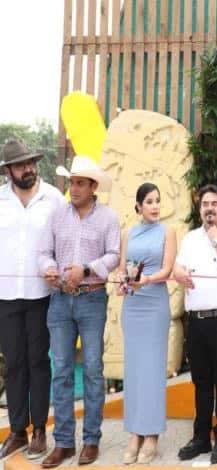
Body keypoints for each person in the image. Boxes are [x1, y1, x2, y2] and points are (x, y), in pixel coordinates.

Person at [38, 155, 120, 468]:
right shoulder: (57, 215)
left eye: (80, 183)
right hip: (59, 299)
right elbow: (44, 253)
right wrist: (49, 269)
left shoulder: (108, 218)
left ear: (93, 187)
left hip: (92, 298)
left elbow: (114, 255)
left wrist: (85, 269)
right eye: (71, 182)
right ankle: (63, 443)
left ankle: (91, 440)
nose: (73, 188)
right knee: (60, 370)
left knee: (93, 370)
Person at [0, 139, 64, 461]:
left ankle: (39, 429)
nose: (28, 169)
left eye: (31, 163)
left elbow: (65, 240)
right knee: (14, 363)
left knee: (38, 361)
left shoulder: (53, 198)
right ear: (8, 171)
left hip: (42, 295)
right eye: (20, 165)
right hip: (6, 296)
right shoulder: (0, 199)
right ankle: (17, 431)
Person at [174, 184, 217, 464]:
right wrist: (180, 274)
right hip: (196, 321)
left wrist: (216, 240)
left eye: (215, 204)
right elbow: (178, 267)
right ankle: (201, 437)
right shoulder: (190, 238)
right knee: (200, 380)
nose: (209, 209)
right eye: (205, 204)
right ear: (200, 208)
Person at [116, 183, 176, 464]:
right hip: (132, 306)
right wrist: (123, 282)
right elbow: (122, 268)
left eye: (157, 201)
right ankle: (134, 433)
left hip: (155, 304)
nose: (155, 206)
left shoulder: (168, 231)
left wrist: (148, 279)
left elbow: (167, 268)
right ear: (138, 206)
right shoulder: (127, 233)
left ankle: (151, 434)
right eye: (149, 201)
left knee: (152, 370)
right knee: (134, 371)